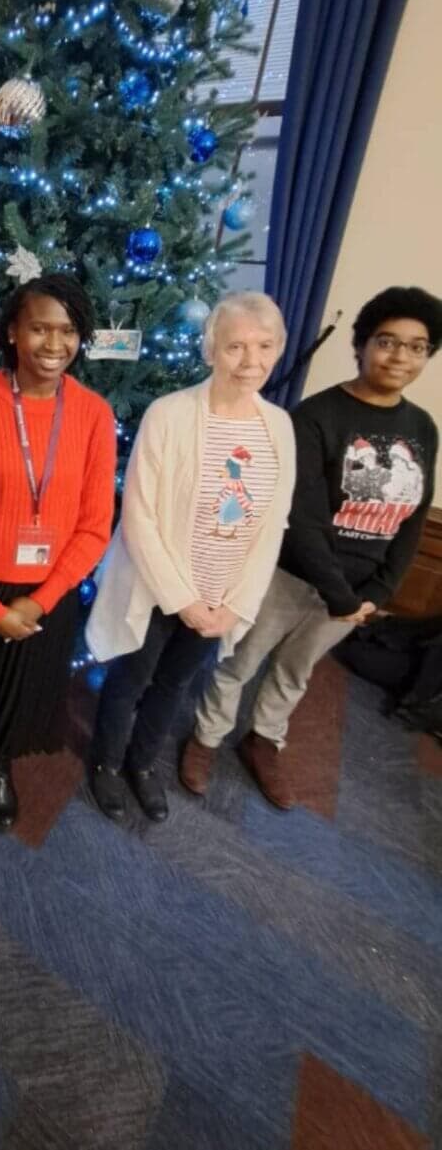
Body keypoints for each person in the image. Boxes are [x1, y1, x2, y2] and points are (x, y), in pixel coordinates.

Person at [181, 285, 441, 808]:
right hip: (291, 575)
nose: (400, 356)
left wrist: (380, 590)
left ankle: (264, 739)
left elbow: (412, 516)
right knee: (241, 659)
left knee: (296, 673)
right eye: (387, 342)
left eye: (417, 346)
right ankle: (206, 739)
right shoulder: (316, 416)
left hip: (357, 594)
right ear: (362, 345)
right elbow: (301, 517)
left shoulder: (421, 428)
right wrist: (341, 593)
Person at [86, 291, 295, 823]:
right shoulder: (169, 414)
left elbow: (271, 527)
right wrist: (181, 599)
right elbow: (139, 517)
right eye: (235, 346)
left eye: (264, 346)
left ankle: (142, 763)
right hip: (159, 590)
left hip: (221, 597)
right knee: (131, 679)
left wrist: (236, 603)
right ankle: (107, 764)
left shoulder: (279, 429)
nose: (251, 361)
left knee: (174, 685)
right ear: (210, 350)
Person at [0, 274, 116, 831]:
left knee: (21, 693)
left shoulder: (93, 415)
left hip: (48, 594)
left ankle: (0, 768)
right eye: (39, 328)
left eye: (68, 331)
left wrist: (38, 603)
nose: (54, 344)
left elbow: (93, 527)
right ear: (13, 332)